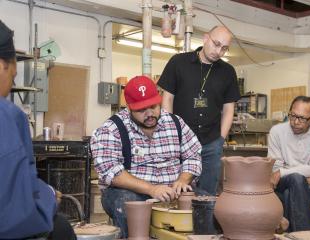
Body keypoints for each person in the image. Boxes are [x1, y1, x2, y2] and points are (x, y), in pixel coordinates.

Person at [90, 75, 202, 239]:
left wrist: (183, 180)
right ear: (129, 107)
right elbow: (110, 171)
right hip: (130, 192)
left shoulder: (176, 123)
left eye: (153, 107)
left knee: (207, 205)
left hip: (173, 190)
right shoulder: (111, 129)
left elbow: (193, 155)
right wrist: (152, 189)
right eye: (141, 110)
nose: (150, 114)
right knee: (130, 207)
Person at [0, 20, 76, 239]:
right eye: (13, 76)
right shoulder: (7, 115)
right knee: (60, 227)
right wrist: (49, 196)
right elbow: (14, 215)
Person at [157, 26, 240, 195]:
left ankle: (204, 221)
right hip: (180, 142)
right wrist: (172, 134)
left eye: (224, 48)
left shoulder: (228, 72)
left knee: (206, 195)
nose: (218, 51)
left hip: (210, 143)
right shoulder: (178, 62)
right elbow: (167, 99)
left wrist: (220, 139)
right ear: (205, 38)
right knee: (176, 191)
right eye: (216, 44)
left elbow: (228, 109)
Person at [267, 96, 310, 232]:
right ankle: (307, 234)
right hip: (285, 181)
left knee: (290, 192)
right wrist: (308, 176)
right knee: (296, 179)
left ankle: (293, 233)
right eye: (293, 116)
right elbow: (276, 167)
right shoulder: (277, 131)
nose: (296, 122)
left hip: (303, 184)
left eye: (302, 118)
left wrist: (283, 172)